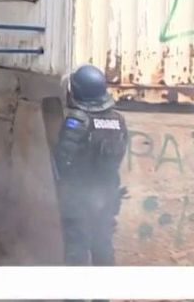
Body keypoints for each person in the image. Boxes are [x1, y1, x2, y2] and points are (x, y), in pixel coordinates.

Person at [54, 64, 128, 267]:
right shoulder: (118, 120)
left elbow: (62, 161)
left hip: (79, 198)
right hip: (107, 195)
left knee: (77, 250)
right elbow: (119, 154)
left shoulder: (77, 120)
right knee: (103, 246)